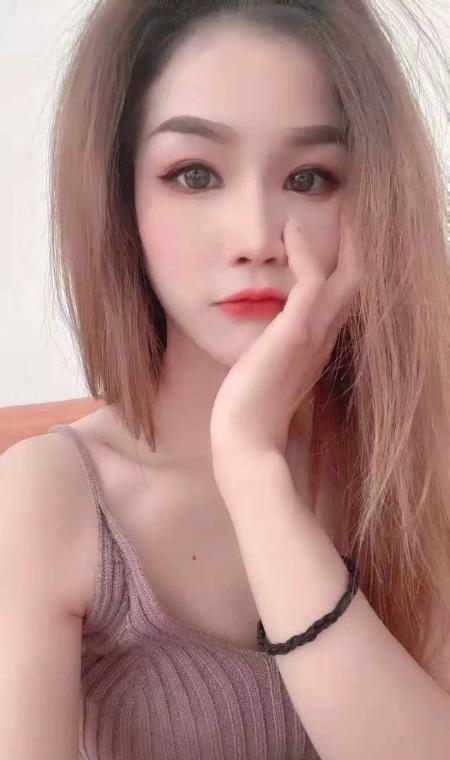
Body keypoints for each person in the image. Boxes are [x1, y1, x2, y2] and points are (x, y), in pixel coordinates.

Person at [1, 1, 449, 758]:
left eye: (308, 177)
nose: (256, 237)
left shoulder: (415, 462)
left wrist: (250, 465)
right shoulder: (49, 499)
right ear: (120, 197)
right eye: (195, 174)